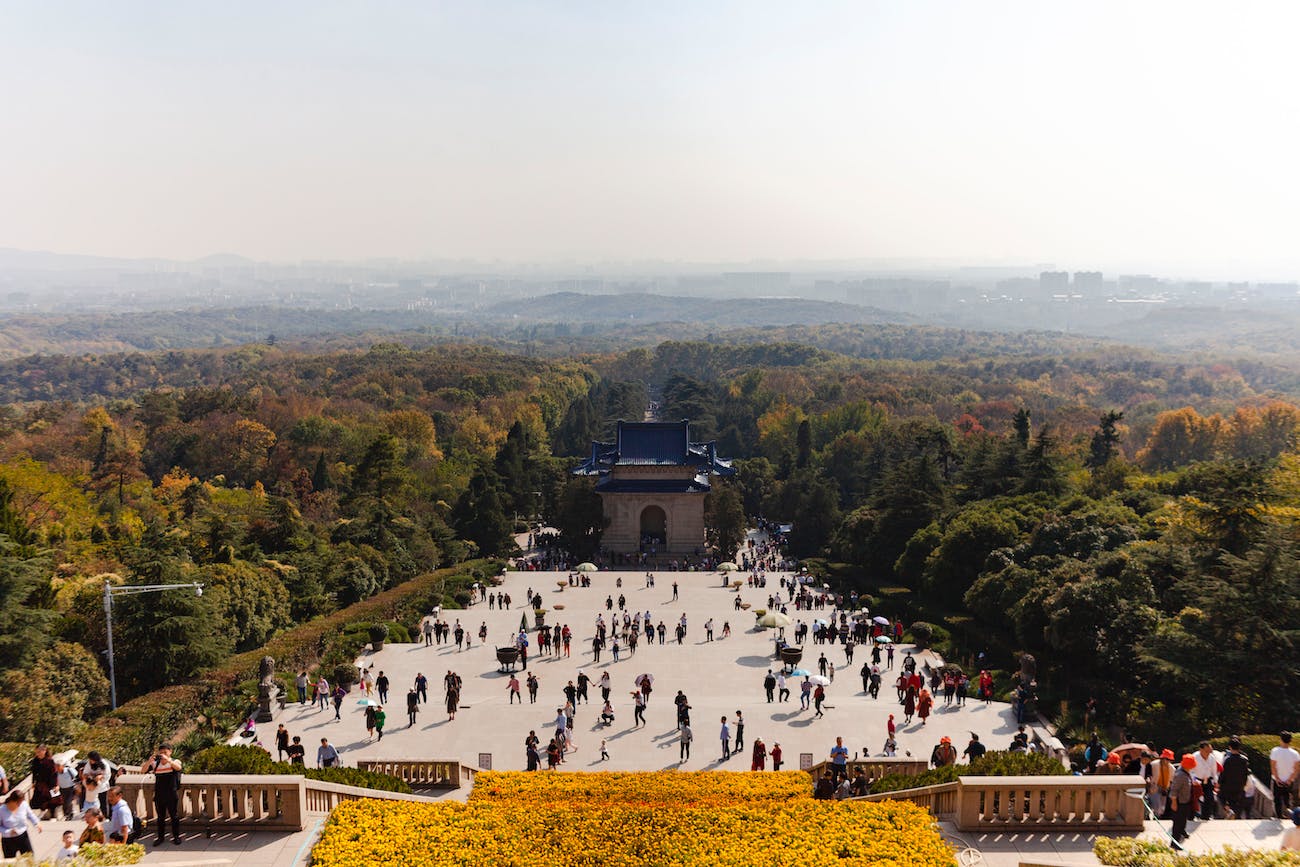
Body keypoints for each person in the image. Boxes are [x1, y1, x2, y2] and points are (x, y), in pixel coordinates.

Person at [143, 743, 183, 846]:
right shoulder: (156, 764)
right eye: (161, 753)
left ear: (170, 752)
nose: (163, 755)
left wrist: (168, 760)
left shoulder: (174, 761)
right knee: (160, 817)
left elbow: (178, 768)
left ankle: (176, 837)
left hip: (171, 793)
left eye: (165, 752)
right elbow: (142, 771)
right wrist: (149, 761)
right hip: (159, 794)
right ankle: (160, 837)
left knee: (174, 816)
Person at [0, 790, 41, 858]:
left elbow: (30, 815)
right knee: (10, 862)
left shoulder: (23, 805)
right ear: (12, 801)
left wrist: (36, 823)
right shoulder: (2, 810)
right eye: (18, 803)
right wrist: (8, 831)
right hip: (8, 840)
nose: (19, 805)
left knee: (29, 858)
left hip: (23, 836)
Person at [1169, 754, 1196, 848]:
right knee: (1177, 823)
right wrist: (1174, 802)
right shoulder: (1180, 775)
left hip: (1185, 801)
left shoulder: (1186, 772)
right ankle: (1174, 843)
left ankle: (1182, 832)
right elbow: (1174, 790)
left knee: (1183, 820)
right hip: (1179, 803)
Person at [1219, 737, 1249, 819]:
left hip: (1227, 785)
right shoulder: (1244, 760)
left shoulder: (1227, 760)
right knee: (1236, 802)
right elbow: (1246, 774)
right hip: (1239, 785)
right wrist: (1244, 783)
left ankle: (1229, 811)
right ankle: (1234, 814)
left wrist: (1219, 783)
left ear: (1230, 747)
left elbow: (1223, 773)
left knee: (1222, 798)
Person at [1273, 731, 1300, 820]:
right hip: (1289, 781)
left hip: (1278, 780)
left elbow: (1273, 767)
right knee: (1287, 798)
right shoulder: (1295, 753)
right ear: (1290, 740)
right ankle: (1289, 814)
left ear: (1281, 739)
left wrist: (1277, 778)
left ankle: (1279, 816)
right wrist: (1290, 779)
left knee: (1277, 800)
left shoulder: (1275, 751)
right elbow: (1297, 769)